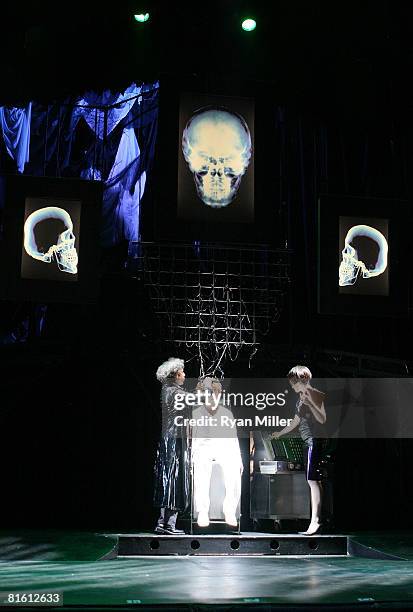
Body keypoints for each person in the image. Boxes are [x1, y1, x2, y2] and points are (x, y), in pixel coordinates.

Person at [271, 365, 326, 535]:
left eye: (294, 383)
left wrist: (311, 404)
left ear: (302, 380)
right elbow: (295, 421)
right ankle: (317, 518)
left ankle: (316, 520)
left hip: (314, 441)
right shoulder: (300, 399)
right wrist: (280, 433)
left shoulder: (314, 394)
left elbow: (322, 418)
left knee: (313, 481)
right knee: (313, 481)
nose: (292, 387)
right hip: (306, 441)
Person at [191, 377, 243, 528]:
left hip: (222, 446)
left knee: (233, 466)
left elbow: (233, 439)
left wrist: (238, 459)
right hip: (204, 448)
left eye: (217, 393)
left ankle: (229, 510)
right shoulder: (196, 413)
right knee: (201, 465)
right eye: (211, 392)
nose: (215, 396)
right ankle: (202, 511)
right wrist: (192, 457)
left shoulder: (226, 414)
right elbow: (193, 438)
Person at [153, 357, 191, 535]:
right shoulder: (175, 392)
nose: (184, 375)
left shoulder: (165, 390)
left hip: (168, 438)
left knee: (166, 478)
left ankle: (162, 523)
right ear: (176, 375)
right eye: (182, 372)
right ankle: (168, 524)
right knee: (174, 478)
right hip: (175, 439)